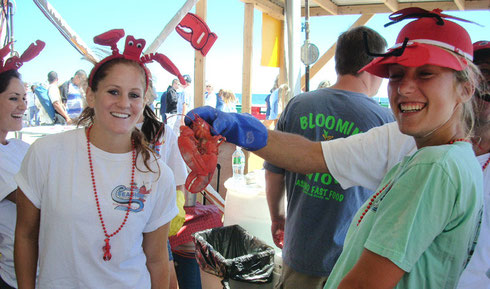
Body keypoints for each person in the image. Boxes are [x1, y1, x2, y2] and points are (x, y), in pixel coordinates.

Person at [186, 8, 485, 288]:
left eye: (425, 74)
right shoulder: (455, 156)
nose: (405, 88)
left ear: (466, 87)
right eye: (396, 75)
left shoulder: (432, 166)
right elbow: (313, 154)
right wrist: (241, 128)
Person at [14, 31, 179, 289]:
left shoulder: (158, 174)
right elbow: (25, 235)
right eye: (113, 91)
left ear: (144, 101)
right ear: (90, 95)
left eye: (134, 95)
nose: (124, 103)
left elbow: (157, 260)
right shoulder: (45, 153)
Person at [264, 26, 392, 289]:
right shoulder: (385, 121)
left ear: (339, 61)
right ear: (375, 66)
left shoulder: (298, 105)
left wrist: (277, 216)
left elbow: (274, 171)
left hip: (301, 250)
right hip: (354, 260)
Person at [0, 40, 44, 289]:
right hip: (17, 278)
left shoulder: (20, 147)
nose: (23, 106)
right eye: (14, 98)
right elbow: (39, 201)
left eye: (25, 98)